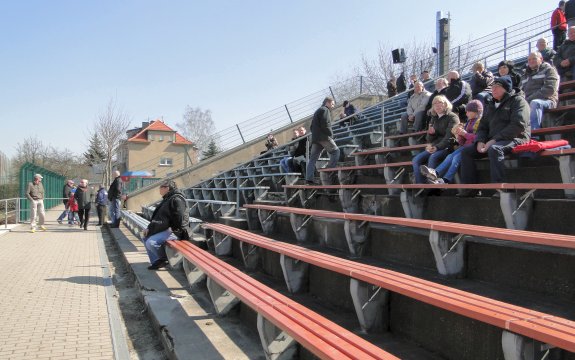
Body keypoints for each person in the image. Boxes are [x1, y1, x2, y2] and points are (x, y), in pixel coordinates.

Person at [458, 76, 530, 196]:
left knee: (495, 149)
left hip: (516, 137)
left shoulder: (518, 101)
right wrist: (480, 141)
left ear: (506, 89)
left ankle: (500, 188)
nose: (493, 89)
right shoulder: (491, 104)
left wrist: (494, 140)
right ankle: (470, 189)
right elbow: (483, 127)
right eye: (492, 87)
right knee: (466, 152)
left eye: (497, 87)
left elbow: (518, 125)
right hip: (492, 140)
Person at [420, 100, 483, 184]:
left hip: (473, 148)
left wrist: (465, 134)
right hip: (465, 147)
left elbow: (479, 137)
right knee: (450, 156)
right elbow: (462, 142)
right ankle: (436, 173)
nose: (466, 113)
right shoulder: (468, 122)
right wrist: (459, 135)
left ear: (476, 111)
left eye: (468, 111)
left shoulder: (480, 122)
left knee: (455, 158)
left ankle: (444, 179)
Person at [142, 180, 189, 270]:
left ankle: (163, 259)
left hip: (175, 231)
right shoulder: (168, 198)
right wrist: (149, 228)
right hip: (166, 229)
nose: (159, 189)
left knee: (151, 242)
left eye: (161, 187)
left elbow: (180, 218)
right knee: (145, 237)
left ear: (167, 188)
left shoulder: (177, 199)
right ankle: (156, 261)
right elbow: (158, 217)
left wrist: (173, 229)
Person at [411, 95, 459, 184]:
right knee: (416, 159)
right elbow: (429, 139)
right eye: (434, 103)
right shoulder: (433, 118)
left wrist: (437, 147)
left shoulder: (452, 117)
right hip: (436, 145)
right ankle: (420, 184)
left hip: (449, 146)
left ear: (445, 104)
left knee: (433, 157)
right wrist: (431, 134)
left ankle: (431, 184)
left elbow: (450, 137)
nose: (437, 105)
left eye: (439, 102)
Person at [521, 51, 559, 131]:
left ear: (541, 59)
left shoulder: (549, 70)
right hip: (527, 101)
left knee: (535, 103)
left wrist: (527, 100)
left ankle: (534, 134)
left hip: (547, 100)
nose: (531, 61)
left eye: (534, 58)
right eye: (529, 60)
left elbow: (549, 90)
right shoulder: (524, 75)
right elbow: (520, 92)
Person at [305, 97, 340, 184]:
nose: (333, 106)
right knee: (336, 152)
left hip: (316, 139)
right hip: (324, 137)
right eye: (332, 104)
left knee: (312, 159)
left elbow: (311, 127)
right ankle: (329, 172)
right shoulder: (325, 110)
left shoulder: (317, 111)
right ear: (327, 102)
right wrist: (330, 134)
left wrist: (316, 136)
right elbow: (326, 123)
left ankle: (309, 179)